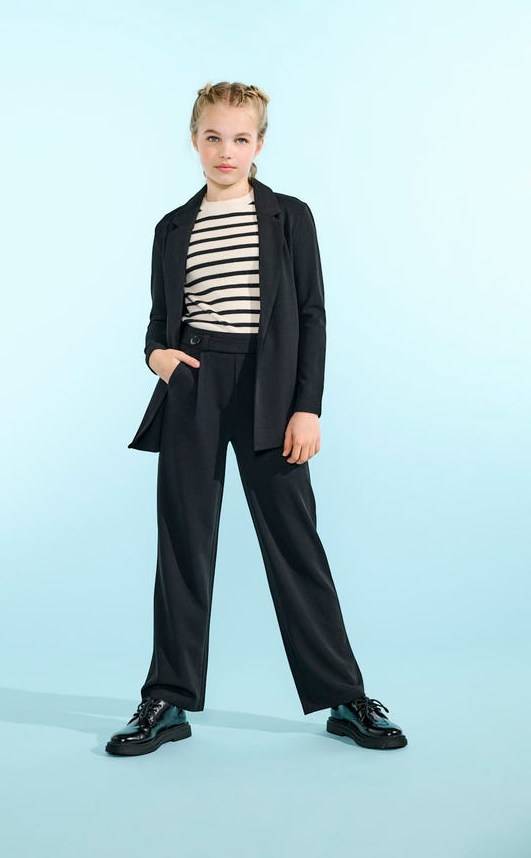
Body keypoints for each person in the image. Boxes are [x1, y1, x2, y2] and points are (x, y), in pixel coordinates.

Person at [106, 81, 407, 756]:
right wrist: (158, 357)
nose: (226, 150)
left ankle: (344, 697)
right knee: (183, 543)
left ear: (260, 144)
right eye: (213, 136)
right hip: (195, 384)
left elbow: (311, 314)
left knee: (295, 540)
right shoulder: (172, 227)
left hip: (271, 386)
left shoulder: (289, 217)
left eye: (240, 138)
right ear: (194, 140)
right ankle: (167, 699)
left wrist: (307, 406)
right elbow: (160, 319)